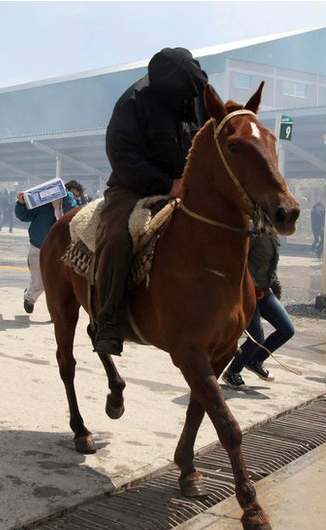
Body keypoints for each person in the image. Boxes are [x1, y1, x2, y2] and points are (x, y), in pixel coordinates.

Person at [93, 47, 209, 356]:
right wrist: (168, 185)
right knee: (117, 238)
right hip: (133, 187)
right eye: (184, 97)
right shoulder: (132, 103)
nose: (189, 102)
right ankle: (108, 320)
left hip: (190, 184)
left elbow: (217, 136)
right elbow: (123, 158)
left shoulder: (198, 95)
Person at [221, 232, 295, 389]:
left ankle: (255, 360)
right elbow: (240, 262)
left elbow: (270, 266)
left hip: (265, 292)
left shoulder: (272, 234)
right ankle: (232, 372)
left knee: (287, 330)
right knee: (256, 338)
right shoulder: (252, 231)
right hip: (246, 293)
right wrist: (252, 286)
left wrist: (276, 288)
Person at [15, 190, 78, 313]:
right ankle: (29, 298)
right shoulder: (42, 204)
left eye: (76, 195)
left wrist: (66, 198)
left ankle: (56, 313)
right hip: (38, 247)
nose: (74, 197)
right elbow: (23, 216)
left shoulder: (71, 204)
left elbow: (73, 213)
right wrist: (21, 203)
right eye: (72, 194)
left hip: (61, 250)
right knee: (39, 282)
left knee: (60, 284)